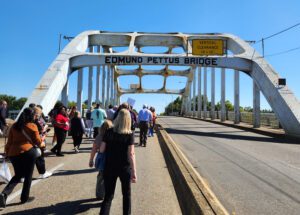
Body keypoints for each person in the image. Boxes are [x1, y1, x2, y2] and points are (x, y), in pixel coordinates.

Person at [0, 108, 45, 207]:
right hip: (28, 152)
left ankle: (4, 194)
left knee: (18, 175)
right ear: (31, 116)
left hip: (13, 153)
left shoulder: (14, 126)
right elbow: (38, 142)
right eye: (34, 115)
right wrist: (42, 143)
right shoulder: (32, 126)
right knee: (28, 176)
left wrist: (7, 153)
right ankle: (24, 198)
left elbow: (9, 143)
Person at [100, 109, 137, 215]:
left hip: (109, 167)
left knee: (108, 196)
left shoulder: (109, 132)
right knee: (126, 195)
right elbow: (131, 154)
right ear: (128, 120)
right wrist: (134, 172)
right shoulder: (130, 134)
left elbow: (102, 150)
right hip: (124, 168)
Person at [89, 120, 113, 200]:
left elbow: (94, 149)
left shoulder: (99, 136)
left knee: (101, 177)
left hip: (102, 157)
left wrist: (91, 160)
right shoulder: (114, 136)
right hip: (111, 157)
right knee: (110, 177)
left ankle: (99, 194)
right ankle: (108, 194)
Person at [33, 106, 52, 179]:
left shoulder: (26, 120)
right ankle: (43, 172)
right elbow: (41, 130)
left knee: (28, 160)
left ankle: (22, 176)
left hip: (29, 142)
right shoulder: (36, 121)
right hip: (38, 141)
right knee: (40, 157)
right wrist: (45, 128)